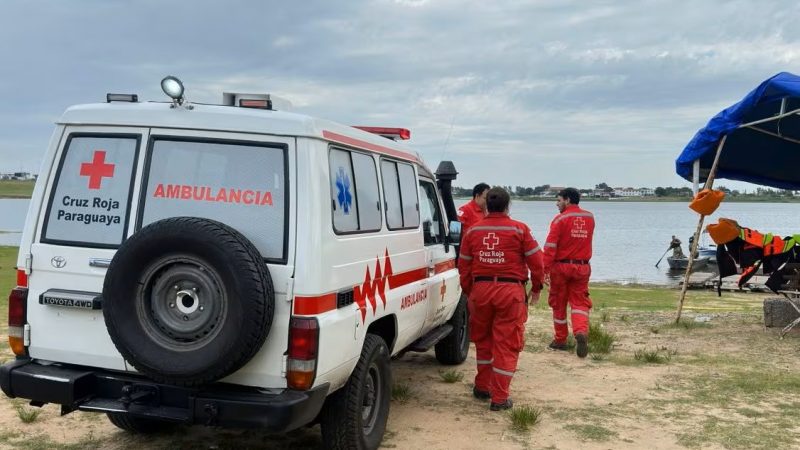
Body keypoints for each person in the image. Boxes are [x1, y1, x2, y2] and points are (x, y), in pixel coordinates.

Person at [458, 187, 544, 411]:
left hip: (481, 291)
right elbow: (538, 264)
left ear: (487, 205)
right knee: (507, 344)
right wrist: (536, 289)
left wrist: (469, 292)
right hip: (510, 292)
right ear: (507, 206)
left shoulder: (473, 231)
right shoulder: (520, 229)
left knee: (484, 342)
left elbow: (464, 266)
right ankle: (499, 398)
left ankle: (482, 387)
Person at [543, 187, 595, 358]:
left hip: (561, 267)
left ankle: (560, 340)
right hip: (582, 267)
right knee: (580, 303)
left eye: (558, 200)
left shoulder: (559, 220)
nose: (557, 204)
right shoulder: (590, 218)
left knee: (558, 303)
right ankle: (580, 332)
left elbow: (550, 247)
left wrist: (544, 269)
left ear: (567, 200)